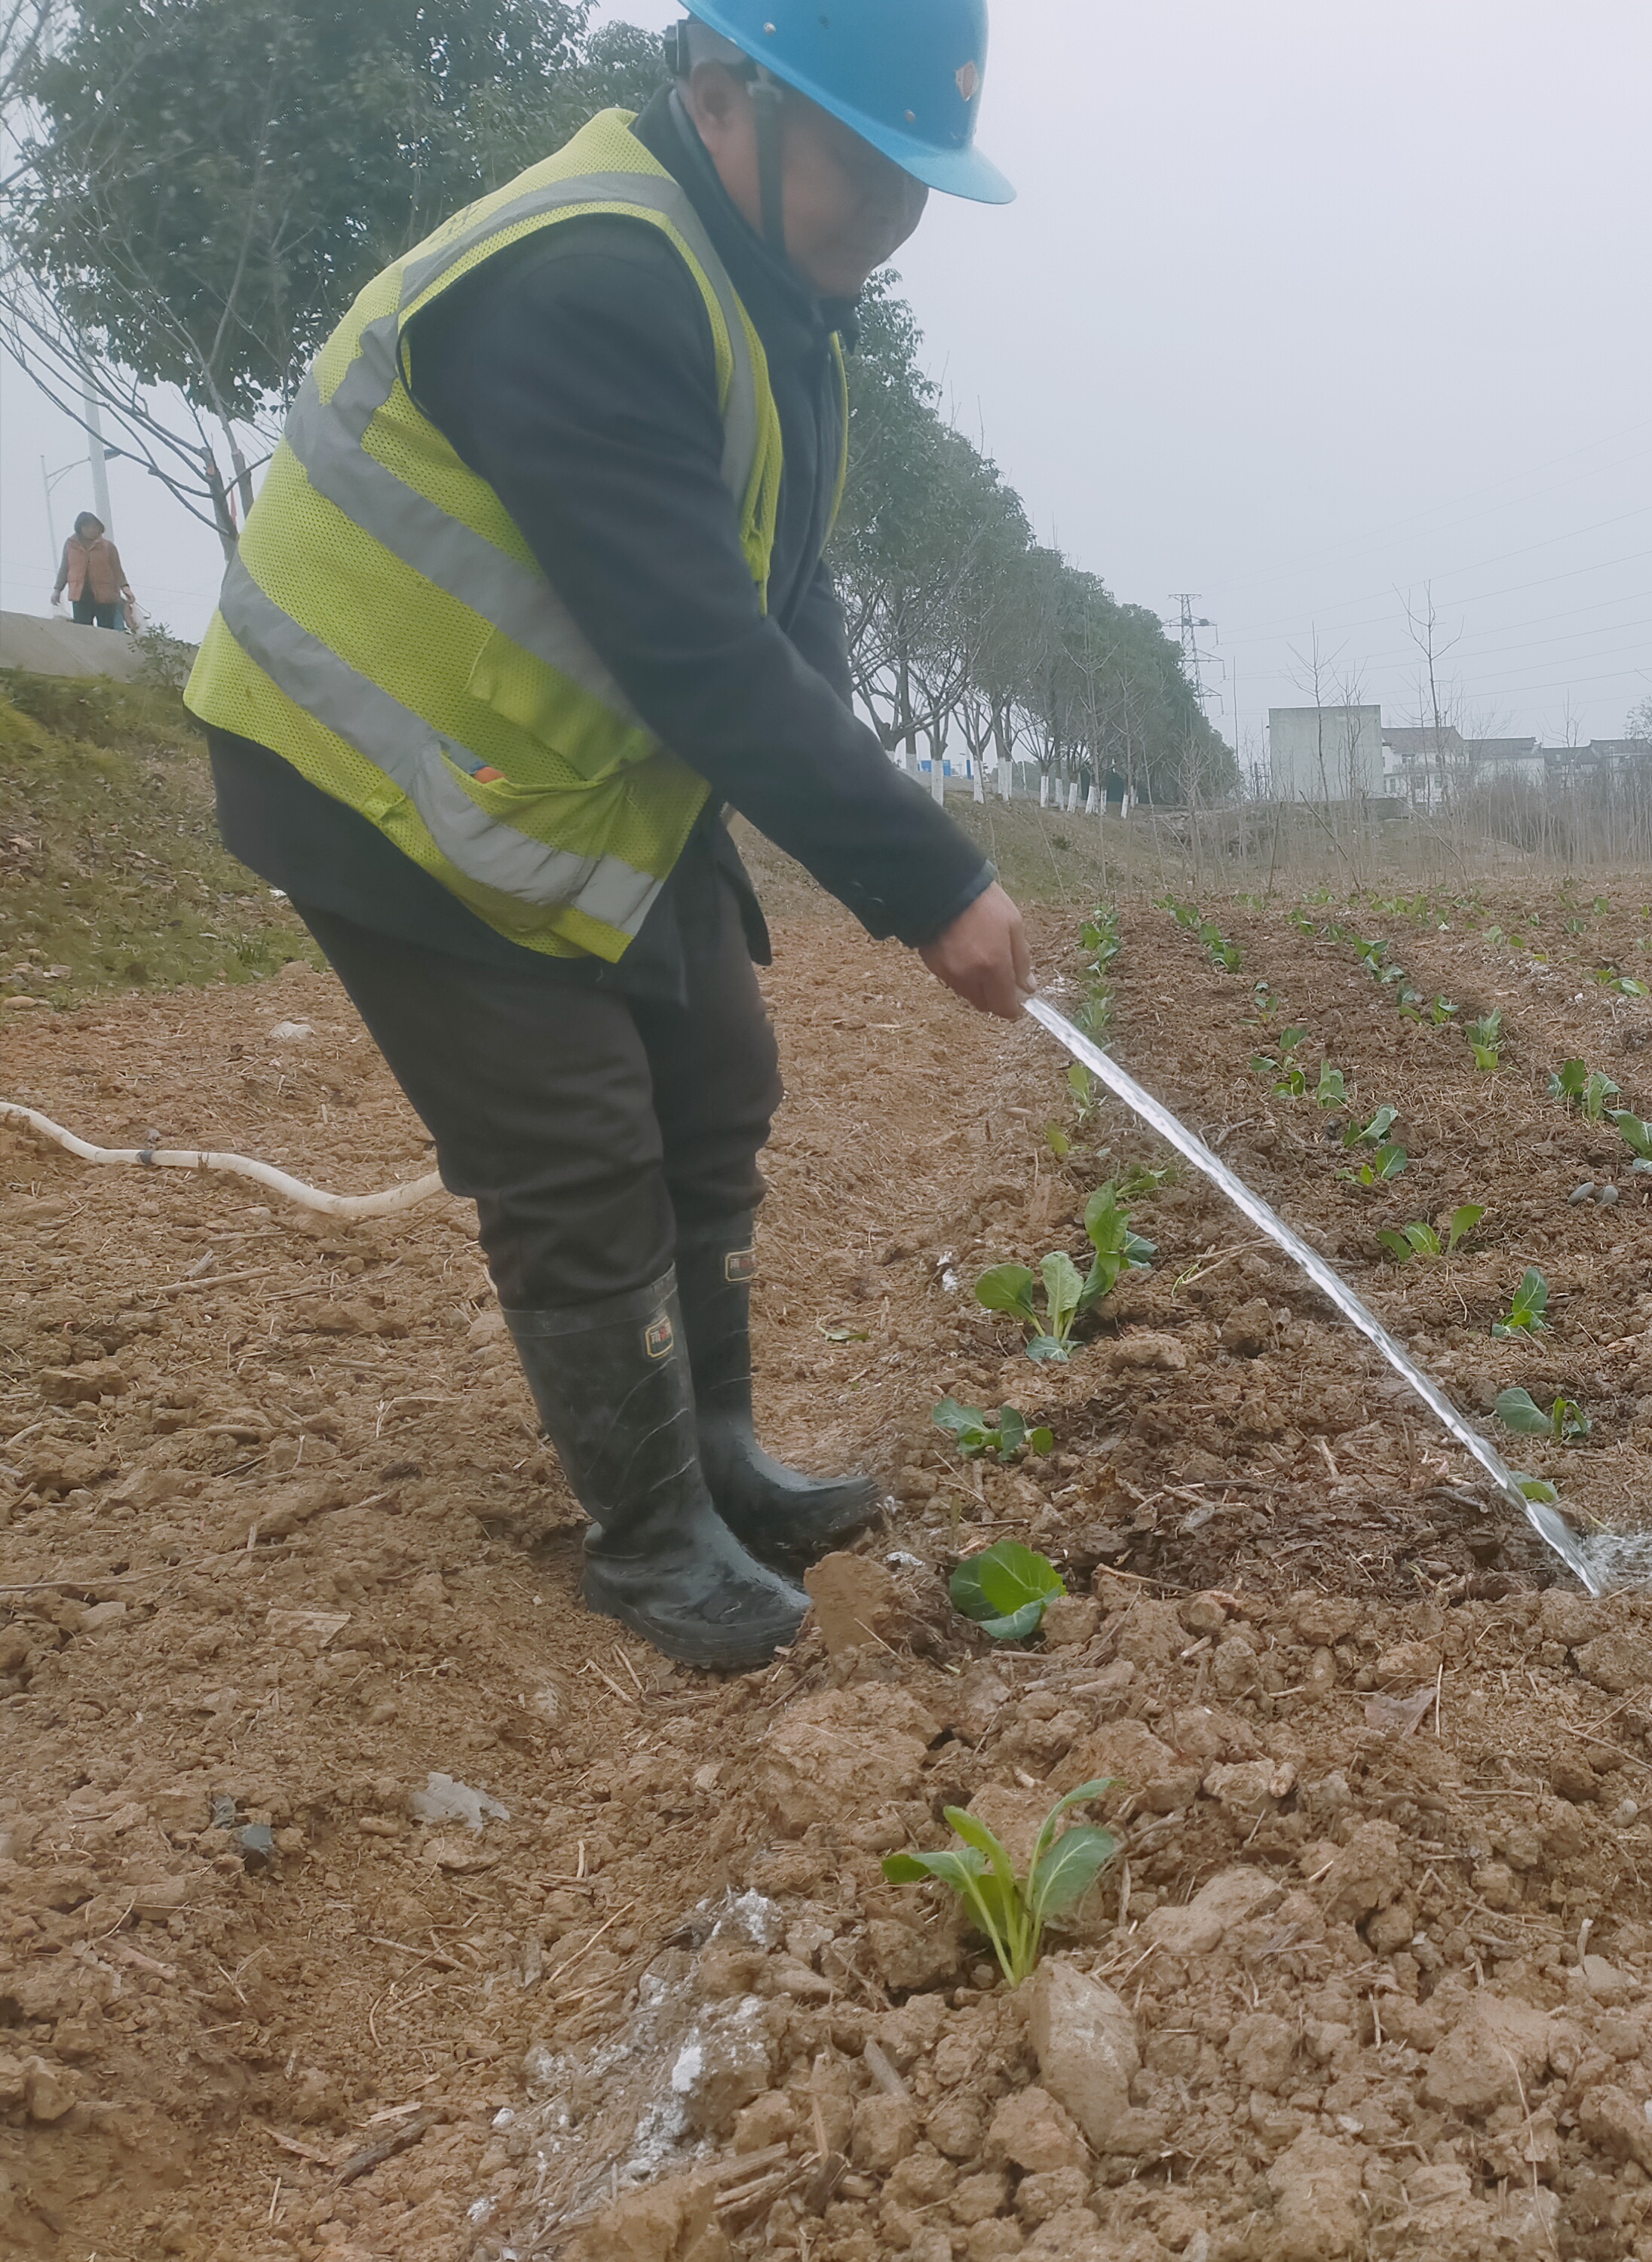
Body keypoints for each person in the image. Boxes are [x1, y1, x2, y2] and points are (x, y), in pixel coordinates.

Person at [185, 0, 1031, 1669]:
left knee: (717, 1071)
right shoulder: (590, 278)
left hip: (552, 766)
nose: (889, 228)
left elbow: (777, 596)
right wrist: (928, 879)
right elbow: (692, 650)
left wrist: (865, 794)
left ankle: (713, 1459)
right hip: (378, 762)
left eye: (915, 193)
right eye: (868, 181)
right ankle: (649, 1543)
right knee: (576, 1143)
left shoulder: (769, 291)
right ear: (726, 98)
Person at [51, 511, 128, 630]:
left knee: (107, 631)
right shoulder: (70, 546)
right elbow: (65, 568)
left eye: (94, 526)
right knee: (83, 632)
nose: (92, 530)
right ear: (80, 528)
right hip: (80, 596)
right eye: (87, 527)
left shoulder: (108, 546)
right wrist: (57, 590)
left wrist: (125, 587)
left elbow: (117, 569)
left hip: (106, 597)